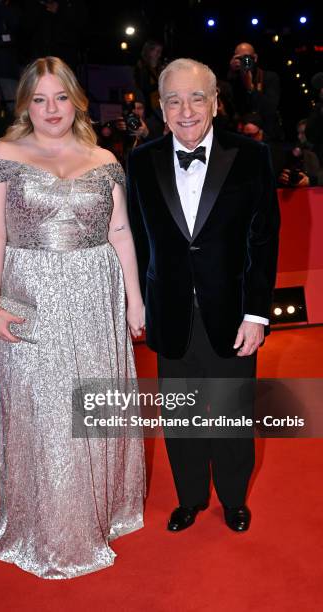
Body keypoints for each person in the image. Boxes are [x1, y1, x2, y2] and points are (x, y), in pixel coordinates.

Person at [0, 56, 146, 579]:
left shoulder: (103, 157)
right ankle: (53, 531)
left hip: (98, 293)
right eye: (38, 99)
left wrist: (135, 300)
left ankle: (103, 508)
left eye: (60, 97)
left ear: (77, 99)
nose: (51, 110)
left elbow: (120, 232)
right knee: (49, 411)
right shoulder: (5, 153)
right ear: (25, 103)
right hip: (32, 293)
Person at [128, 58, 280, 533]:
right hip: (169, 312)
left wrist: (257, 314)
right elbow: (133, 236)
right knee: (182, 417)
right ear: (161, 106)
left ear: (215, 101)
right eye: (173, 99)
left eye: (196, 97)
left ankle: (234, 499)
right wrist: (137, 301)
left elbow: (263, 240)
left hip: (233, 314)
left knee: (233, 413)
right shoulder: (140, 159)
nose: (185, 109)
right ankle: (190, 497)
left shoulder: (251, 156)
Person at [227, 42, 282, 142]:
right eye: (239, 58)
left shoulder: (270, 77)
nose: (245, 61)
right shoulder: (234, 80)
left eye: (247, 57)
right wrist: (231, 71)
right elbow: (230, 108)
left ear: (255, 58)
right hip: (240, 135)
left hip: (266, 136)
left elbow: (270, 108)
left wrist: (251, 88)